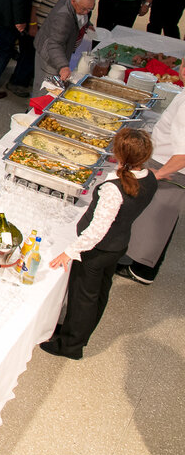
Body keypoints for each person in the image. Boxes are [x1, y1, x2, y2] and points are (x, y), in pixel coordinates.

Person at [40, 128, 156, 359]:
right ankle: (80, 333)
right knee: (100, 293)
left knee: (83, 298)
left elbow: (97, 231)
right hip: (118, 245)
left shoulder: (114, 189)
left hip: (97, 251)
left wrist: (70, 252)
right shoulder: (150, 178)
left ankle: (70, 345)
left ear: (119, 154)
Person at [119, 73, 185, 284]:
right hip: (166, 161)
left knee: (157, 219)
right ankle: (142, 266)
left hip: (170, 166)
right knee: (162, 219)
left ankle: (143, 271)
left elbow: (183, 154)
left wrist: (158, 174)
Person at [33, 0, 95, 94]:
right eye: (83, 9)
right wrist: (63, 66)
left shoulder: (78, 0)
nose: (86, 12)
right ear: (73, 1)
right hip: (49, 56)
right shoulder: (63, 17)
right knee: (45, 90)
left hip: (57, 52)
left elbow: (81, 18)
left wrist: (87, 24)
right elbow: (54, 44)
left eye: (90, 9)